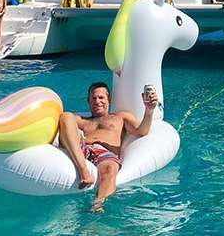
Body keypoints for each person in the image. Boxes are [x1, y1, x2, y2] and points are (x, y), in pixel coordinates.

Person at [58, 82, 158, 213]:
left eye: (101, 98)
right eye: (93, 98)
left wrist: (149, 110)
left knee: (110, 168)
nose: (97, 101)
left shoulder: (120, 117)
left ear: (108, 100)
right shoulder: (82, 120)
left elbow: (141, 131)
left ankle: (97, 206)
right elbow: (65, 124)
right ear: (88, 101)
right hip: (82, 149)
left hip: (104, 154)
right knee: (66, 116)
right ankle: (84, 172)